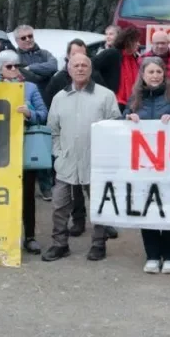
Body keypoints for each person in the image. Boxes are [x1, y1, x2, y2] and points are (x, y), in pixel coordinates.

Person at [43, 53, 121, 262]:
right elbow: (54, 130)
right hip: (66, 161)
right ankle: (59, 244)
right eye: (75, 65)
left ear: (90, 69)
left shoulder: (105, 96)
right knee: (59, 205)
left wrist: (106, 156)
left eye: (84, 65)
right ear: (68, 70)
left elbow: (115, 128)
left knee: (98, 204)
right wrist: (58, 154)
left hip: (95, 161)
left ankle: (98, 243)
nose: (79, 69)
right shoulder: (59, 97)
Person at [125, 57, 170, 273]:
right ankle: (152, 255)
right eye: (150, 72)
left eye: (158, 72)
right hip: (145, 166)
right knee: (149, 208)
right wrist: (128, 118)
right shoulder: (136, 97)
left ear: (164, 73)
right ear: (143, 75)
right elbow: (122, 120)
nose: (155, 76)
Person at [0, 50, 48, 254]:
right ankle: (3, 235)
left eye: (17, 66)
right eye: (9, 66)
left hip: (24, 145)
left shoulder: (30, 88)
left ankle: (30, 236)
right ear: (0, 69)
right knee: (1, 194)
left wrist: (30, 113)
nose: (14, 70)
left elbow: (44, 115)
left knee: (27, 194)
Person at [43, 39, 104, 108]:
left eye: (82, 55)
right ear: (68, 56)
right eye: (74, 55)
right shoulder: (58, 79)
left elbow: (105, 102)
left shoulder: (95, 76)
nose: (78, 58)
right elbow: (49, 107)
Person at [93, 26, 141, 105]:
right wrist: (104, 88)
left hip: (131, 103)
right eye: (136, 41)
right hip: (114, 101)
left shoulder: (134, 57)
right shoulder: (112, 53)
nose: (138, 44)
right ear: (128, 41)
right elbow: (91, 66)